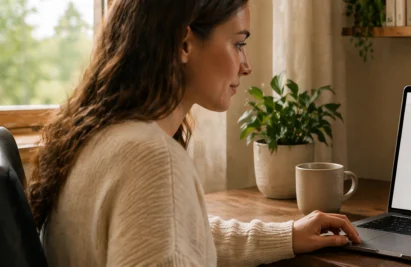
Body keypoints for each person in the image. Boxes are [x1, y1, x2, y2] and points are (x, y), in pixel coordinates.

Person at [25, 0, 361, 266]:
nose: (246, 66)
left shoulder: (99, 136)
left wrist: (286, 236)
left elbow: (168, 235)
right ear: (184, 43)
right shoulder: (150, 158)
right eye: (238, 44)